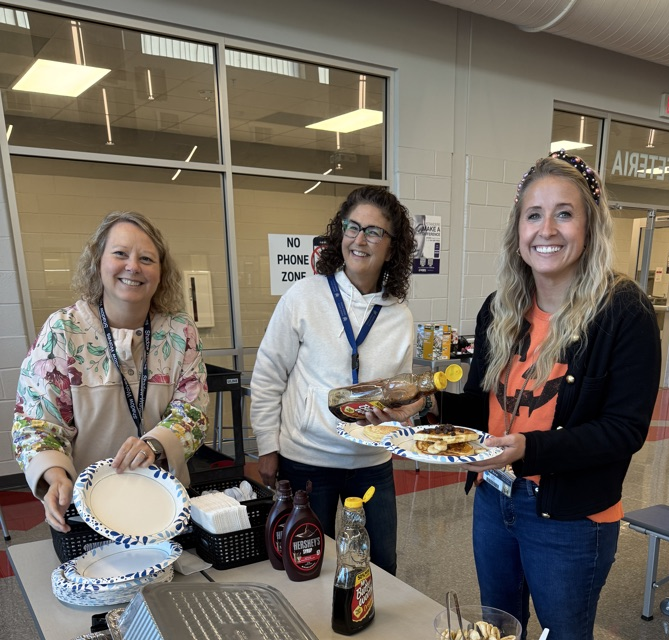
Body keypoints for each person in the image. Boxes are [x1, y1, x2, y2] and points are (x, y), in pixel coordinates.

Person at [438, 151, 661, 640]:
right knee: (499, 637)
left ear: (590, 225)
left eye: (564, 214)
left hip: (570, 519)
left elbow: (622, 430)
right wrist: (426, 410)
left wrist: (525, 451)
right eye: (533, 215)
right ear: (518, 230)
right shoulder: (502, 309)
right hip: (495, 501)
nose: (547, 229)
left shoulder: (623, 313)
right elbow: (485, 407)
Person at [250, 186, 421, 575]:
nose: (360, 240)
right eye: (352, 227)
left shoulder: (400, 315)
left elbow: (400, 391)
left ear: (392, 248)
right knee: (310, 565)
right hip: (308, 460)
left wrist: (403, 413)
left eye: (374, 232)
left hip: (372, 461)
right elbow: (268, 374)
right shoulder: (304, 296)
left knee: (381, 564)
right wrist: (267, 446)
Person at [13, 210, 208, 533]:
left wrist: (155, 444)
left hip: (161, 503)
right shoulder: (63, 331)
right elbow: (35, 423)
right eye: (120, 254)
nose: (133, 266)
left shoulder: (179, 331)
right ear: (98, 262)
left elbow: (194, 411)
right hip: (88, 506)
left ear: (161, 272)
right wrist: (54, 473)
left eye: (147, 258)